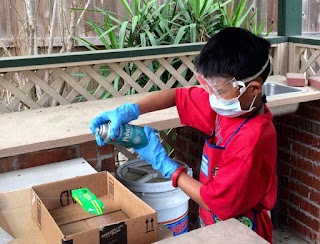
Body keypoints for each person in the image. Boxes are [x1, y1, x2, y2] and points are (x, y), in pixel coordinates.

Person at [90, 27, 277, 243]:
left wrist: (167, 167)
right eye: (209, 86)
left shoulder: (252, 140)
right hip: (213, 224)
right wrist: (130, 110)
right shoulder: (229, 106)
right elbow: (176, 97)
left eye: (219, 90)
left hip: (244, 233)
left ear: (253, 89)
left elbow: (214, 201)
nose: (211, 96)